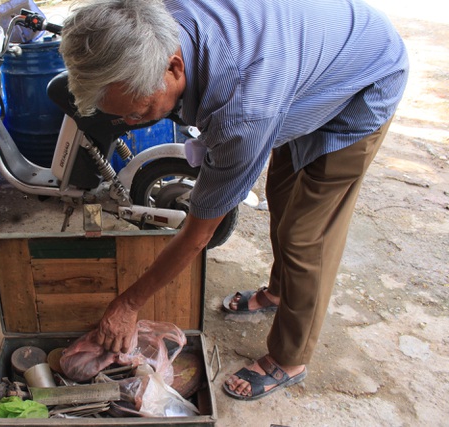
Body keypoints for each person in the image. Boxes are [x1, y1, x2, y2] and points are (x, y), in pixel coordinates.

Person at [58, 0, 408, 401]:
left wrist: (128, 304)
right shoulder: (147, 21)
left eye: (139, 112)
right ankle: (280, 291)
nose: (130, 123)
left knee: (305, 235)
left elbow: (197, 234)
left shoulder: (243, 111)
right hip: (304, 59)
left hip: (365, 77)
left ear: (174, 67)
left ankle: (289, 359)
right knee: (280, 192)